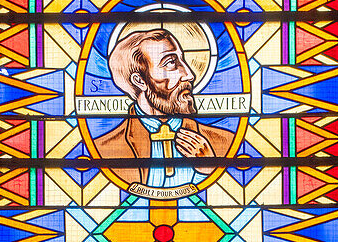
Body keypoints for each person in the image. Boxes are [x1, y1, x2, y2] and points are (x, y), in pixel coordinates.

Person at [93, 28, 234, 188]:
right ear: (140, 81)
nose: (189, 75)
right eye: (171, 63)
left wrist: (211, 169)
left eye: (182, 60)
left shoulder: (223, 144)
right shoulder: (104, 151)